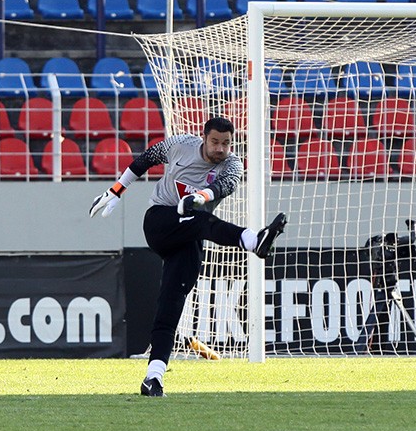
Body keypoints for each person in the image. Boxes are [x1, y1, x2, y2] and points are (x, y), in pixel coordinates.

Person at [89, 117, 287, 398]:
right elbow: (146, 159)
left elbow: (225, 186)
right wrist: (116, 190)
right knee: (203, 221)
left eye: (226, 143)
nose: (220, 148)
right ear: (204, 138)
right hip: (160, 222)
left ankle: (153, 377)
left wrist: (199, 197)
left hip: (189, 238)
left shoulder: (232, 165)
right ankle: (254, 240)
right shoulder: (180, 145)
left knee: (170, 307)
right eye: (215, 142)